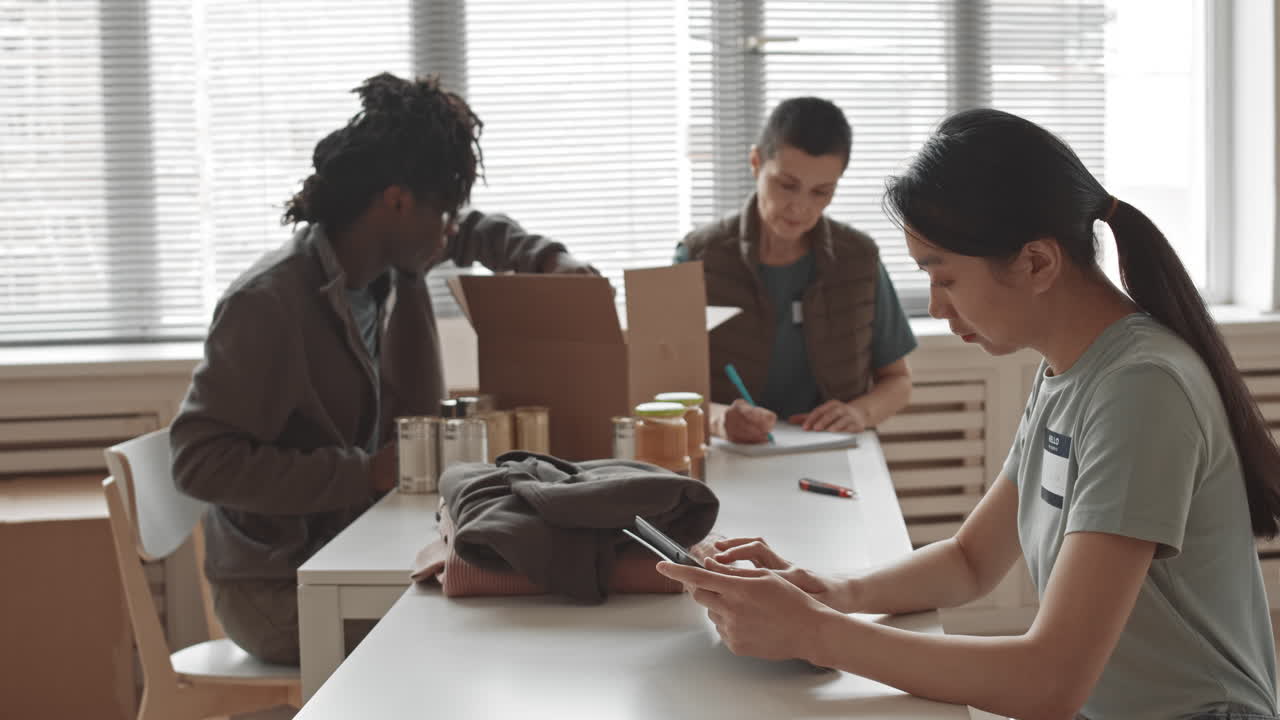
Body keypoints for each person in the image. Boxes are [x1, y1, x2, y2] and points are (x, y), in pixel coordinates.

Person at [658, 108, 1280, 720]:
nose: (935, 307)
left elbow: (1049, 682)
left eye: (943, 276)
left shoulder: (1142, 388)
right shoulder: (1072, 368)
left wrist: (813, 633)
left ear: (1037, 262)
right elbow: (971, 560)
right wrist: (832, 594)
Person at [170, 72, 596, 665]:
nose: (450, 230)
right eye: (442, 211)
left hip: (349, 547)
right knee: (488, 625)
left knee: (507, 602)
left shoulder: (384, 253)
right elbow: (198, 462)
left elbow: (474, 232)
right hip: (277, 589)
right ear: (397, 200)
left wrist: (548, 257)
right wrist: (364, 474)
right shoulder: (269, 305)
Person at [674, 97, 916, 444]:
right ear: (756, 162)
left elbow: (898, 382)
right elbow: (666, 391)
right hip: (727, 455)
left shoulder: (859, 259)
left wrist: (859, 413)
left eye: (821, 192)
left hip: (832, 451)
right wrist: (719, 420)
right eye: (786, 185)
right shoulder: (697, 257)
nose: (800, 207)